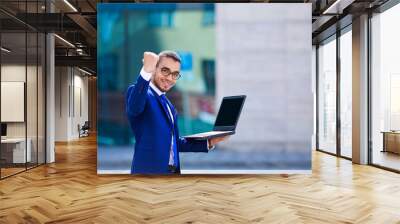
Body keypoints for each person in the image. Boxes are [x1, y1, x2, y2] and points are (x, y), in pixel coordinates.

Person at [126, 51, 228, 174]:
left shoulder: (168, 105)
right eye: (165, 70)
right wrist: (146, 71)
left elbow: (175, 143)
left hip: (171, 174)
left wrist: (209, 142)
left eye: (175, 74)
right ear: (154, 69)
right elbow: (134, 107)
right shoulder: (140, 93)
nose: (169, 78)